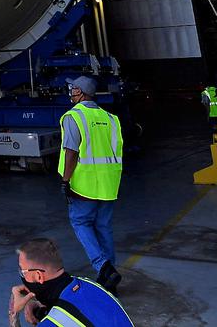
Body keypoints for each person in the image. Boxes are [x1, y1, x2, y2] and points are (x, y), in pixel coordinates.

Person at [59, 75, 124, 295]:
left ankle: (103, 266)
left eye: (73, 89)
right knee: (104, 227)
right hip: (108, 183)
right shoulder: (110, 118)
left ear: (80, 93)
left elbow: (71, 151)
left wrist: (66, 180)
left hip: (84, 184)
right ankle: (109, 278)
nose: (70, 92)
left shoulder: (74, 117)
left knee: (81, 223)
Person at [8, 236, 134, 326]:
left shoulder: (53, 323)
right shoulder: (92, 285)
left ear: (39, 276)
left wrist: (14, 313)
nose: (22, 275)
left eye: (22, 271)